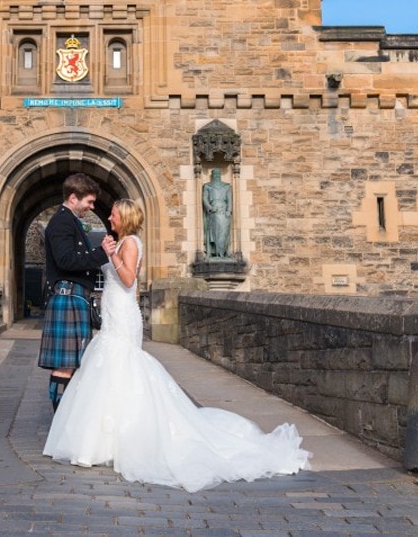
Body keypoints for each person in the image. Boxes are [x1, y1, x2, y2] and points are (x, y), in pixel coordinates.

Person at [43, 199, 311, 492]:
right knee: (106, 369)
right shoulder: (121, 242)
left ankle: (122, 442)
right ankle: (101, 443)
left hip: (121, 315)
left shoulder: (130, 243)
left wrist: (112, 256)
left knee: (121, 366)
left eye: (114, 214)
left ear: (126, 218)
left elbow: (129, 279)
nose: (109, 217)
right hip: (114, 313)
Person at [39, 173, 116, 411]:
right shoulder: (62, 222)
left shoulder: (69, 220)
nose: (91, 207)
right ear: (73, 198)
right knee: (65, 365)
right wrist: (101, 253)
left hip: (74, 297)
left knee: (72, 363)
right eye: (89, 202)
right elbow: (65, 260)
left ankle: (66, 420)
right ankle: (60, 421)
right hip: (68, 296)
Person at [202, 167, 232, 258]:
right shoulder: (207, 186)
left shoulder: (226, 186)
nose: (216, 176)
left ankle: (224, 251)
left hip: (224, 211)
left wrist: (229, 210)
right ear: (213, 176)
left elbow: (229, 200)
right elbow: (205, 198)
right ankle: (216, 252)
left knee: (224, 231)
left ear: (220, 175)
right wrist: (210, 207)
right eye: (215, 174)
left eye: (218, 174)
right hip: (213, 212)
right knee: (214, 232)